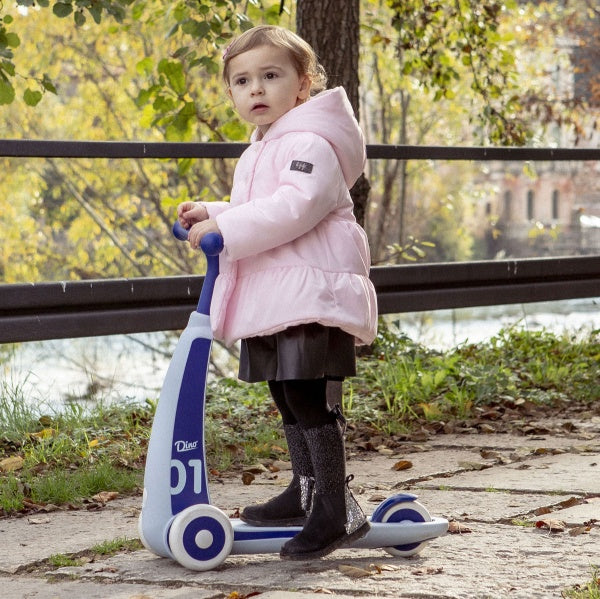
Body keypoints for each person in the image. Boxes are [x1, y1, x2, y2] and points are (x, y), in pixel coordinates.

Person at [177, 25, 378, 561]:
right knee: (284, 393)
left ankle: (337, 507)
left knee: (308, 395)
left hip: (313, 288)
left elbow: (295, 208)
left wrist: (228, 233)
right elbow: (261, 204)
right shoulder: (261, 147)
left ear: (303, 85)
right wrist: (213, 214)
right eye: (242, 81)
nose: (256, 89)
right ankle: (305, 490)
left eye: (271, 76)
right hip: (277, 292)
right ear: (231, 93)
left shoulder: (312, 143)